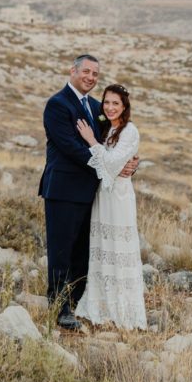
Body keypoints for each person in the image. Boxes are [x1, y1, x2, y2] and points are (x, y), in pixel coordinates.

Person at [38, 55, 137, 330]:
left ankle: (76, 301)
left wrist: (128, 164)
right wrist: (106, 163)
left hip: (92, 193)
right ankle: (59, 308)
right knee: (62, 251)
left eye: (95, 74)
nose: (91, 77)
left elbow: (112, 146)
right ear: (73, 71)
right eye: (86, 71)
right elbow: (72, 148)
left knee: (83, 254)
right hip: (63, 190)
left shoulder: (97, 107)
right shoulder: (58, 105)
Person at [74, 84, 147, 330]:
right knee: (102, 246)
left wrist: (91, 141)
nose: (110, 107)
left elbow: (113, 164)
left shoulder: (129, 131)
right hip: (102, 196)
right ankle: (100, 302)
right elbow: (104, 166)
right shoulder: (106, 128)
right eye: (106, 103)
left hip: (119, 198)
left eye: (116, 103)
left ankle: (123, 308)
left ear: (124, 106)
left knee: (118, 246)